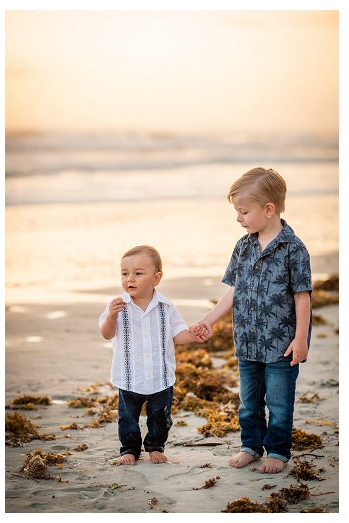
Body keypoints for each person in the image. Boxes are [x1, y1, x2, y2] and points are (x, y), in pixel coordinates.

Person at [196, 167, 311, 474]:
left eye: (244, 212)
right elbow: (235, 289)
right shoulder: (243, 246)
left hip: (281, 345)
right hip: (247, 341)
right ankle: (251, 445)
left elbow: (303, 296)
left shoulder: (293, 249)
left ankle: (277, 450)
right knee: (249, 403)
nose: (239, 218)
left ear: (268, 209)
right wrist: (210, 318)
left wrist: (301, 338)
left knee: (279, 403)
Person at [99, 245, 205, 465]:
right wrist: (110, 317)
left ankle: (155, 446)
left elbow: (178, 334)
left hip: (160, 376)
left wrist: (192, 334)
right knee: (128, 418)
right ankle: (129, 448)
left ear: (156, 278)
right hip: (129, 378)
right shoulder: (117, 306)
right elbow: (107, 334)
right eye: (125, 273)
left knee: (160, 417)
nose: (130, 279)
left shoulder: (166, 307)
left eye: (138, 273)